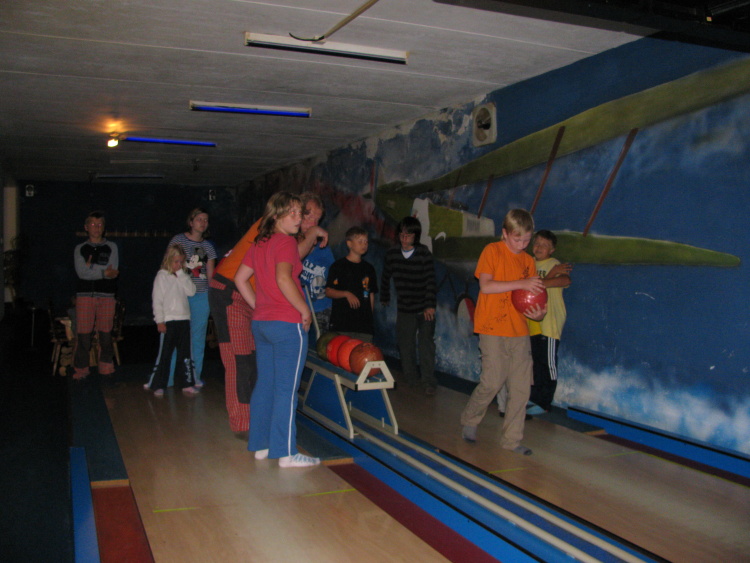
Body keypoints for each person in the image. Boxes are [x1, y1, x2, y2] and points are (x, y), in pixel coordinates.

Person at [208, 193, 328, 434]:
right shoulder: (272, 229)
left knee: (254, 361)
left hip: (247, 294)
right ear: (283, 213)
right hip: (228, 290)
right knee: (239, 359)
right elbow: (286, 268)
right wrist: (314, 234)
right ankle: (243, 424)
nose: (309, 222)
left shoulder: (285, 237)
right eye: (307, 215)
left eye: (317, 219)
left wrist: (260, 307)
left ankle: (258, 423)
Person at [234, 192, 321, 468]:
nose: (298, 218)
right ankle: (286, 453)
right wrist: (304, 309)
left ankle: (261, 445)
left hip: (262, 324)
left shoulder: (260, 243)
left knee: (265, 385)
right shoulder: (285, 242)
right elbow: (284, 278)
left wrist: (260, 305)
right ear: (275, 216)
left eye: (299, 213)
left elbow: (240, 279)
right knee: (286, 390)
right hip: (287, 325)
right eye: (291, 213)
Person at [460, 209, 546, 456]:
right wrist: (521, 283)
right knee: (492, 381)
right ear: (505, 233)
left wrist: (538, 314)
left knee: (521, 388)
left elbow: (532, 297)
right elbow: (486, 286)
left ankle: (511, 440)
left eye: (527, 240)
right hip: (492, 328)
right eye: (517, 239)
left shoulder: (528, 261)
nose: (522, 244)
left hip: (519, 331)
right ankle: (470, 418)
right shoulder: (492, 251)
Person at [380, 216, 437, 396]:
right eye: (401, 235)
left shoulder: (423, 253)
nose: (404, 239)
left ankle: (428, 381)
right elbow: (385, 276)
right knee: (405, 345)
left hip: (424, 307)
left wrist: (429, 305)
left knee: (426, 345)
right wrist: (385, 296)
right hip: (405, 307)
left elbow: (430, 280)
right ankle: (411, 378)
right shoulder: (392, 254)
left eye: (408, 235)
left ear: (415, 236)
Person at [167, 208, 217, 388]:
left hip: (201, 295)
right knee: (174, 336)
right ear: (191, 222)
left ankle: (194, 376)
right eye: (199, 219)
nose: (203, 223)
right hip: (180, 295)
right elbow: (168, 266)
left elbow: (210, 276)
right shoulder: (178, 240)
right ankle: (167, 377)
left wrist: (212, 298)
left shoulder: (208, 247)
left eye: (206, 220)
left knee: (197, 338)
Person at [144, 244, 199, 397]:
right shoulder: (161, 276)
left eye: (181, 262)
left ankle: (187, 383)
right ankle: (158, 384)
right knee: (165, 354)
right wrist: (160, 321)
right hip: (169, 321)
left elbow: (191, 292)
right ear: (168, 260)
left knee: (185, 354)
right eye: (176, 262)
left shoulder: (183, 276)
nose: (178, 265)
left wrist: (181, 274)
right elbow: (157, 301)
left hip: (184, 320)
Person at [73, 211, 119, 380]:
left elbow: (113, 272)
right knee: (83, 335)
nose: (96, 228)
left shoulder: (112, 247)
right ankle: (81, 369)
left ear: (104, 227)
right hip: (85, 295)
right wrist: (103, 271)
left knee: (105, 334)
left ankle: (106, 366)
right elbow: (81, 273)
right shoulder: (80, 248)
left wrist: (91, 268)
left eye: (100, 225)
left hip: (106, 296)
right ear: (86, 227)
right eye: (93, 224)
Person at [326, 226, 378, 342]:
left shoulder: (369, 269)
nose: (364, 244)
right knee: (342, 351)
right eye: (360, 241)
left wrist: (369, 318)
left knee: (363, 353)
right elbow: (328, 291)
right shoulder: (338, 266)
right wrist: (346, 294)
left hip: (363, 327)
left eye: (366, 241)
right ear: (349, 244)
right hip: (342, 324)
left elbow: (371, 295)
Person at [298, 193, 335, 339]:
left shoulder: (323, 247)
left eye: (317, 220)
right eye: (309, 217)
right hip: (299, 307)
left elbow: (333, 273)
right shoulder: (288, 242)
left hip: (322, 306)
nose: (313, 224)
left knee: (323, 344)